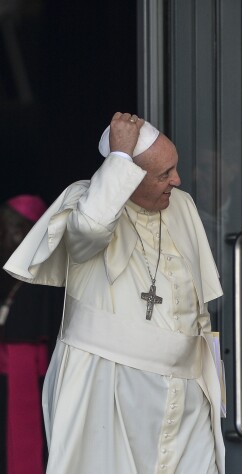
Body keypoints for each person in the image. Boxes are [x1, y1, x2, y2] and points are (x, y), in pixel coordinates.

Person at [3, 112, 226, 473]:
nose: (178, 180)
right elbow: (87, 233)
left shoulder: (181, 205)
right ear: (128, 178)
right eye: (164, 174)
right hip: (112, 393)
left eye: (175, 167)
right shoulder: (86, 201)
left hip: (187, 396)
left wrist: (214, 381)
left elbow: (197, 303)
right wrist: (120, 158)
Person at [0, 195, 62, 474]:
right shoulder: (8, 279)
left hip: (30, 385)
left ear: (27, 233)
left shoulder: (45, 281)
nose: (2, 239)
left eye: (7, 231)